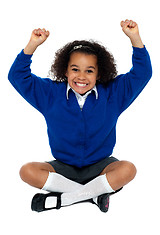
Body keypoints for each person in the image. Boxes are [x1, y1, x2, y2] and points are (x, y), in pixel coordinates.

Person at [8, 19, 152, 213]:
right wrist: (32, 44)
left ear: (99, 74)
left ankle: (63, 200)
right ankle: (93, 197)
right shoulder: (50, 94)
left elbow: (142, 74)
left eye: (89, 71)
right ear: (65, 71)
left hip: (101, 168)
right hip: (63, 169)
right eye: (75, 69)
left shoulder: (113, 95)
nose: (81, 77)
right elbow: (17, 76)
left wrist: (135, 37)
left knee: (128, 169)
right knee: (27, 171)